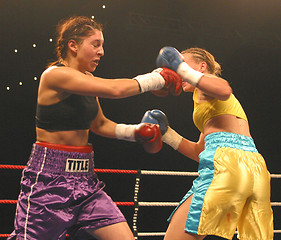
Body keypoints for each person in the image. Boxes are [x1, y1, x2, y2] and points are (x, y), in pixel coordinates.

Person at [8, 16, 183, 240]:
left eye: (102, 45)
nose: (101, 52)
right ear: (73, 45)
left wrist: (135, 132)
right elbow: (114, 89)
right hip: (49, 181)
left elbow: (100, 124)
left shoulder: (88, 79)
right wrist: (157, 78)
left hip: (85, 182)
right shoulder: (54, 76)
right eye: (95, 44)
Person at [142, 47, 274, 240]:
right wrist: (166, 134)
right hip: (255, 168)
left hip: (227, 165)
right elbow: (199, 151)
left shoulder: (208, 85)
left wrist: (182, 69)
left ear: (202, 67)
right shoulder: (206, 102)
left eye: (183, 64)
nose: (177, 71)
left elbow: (224, 89)